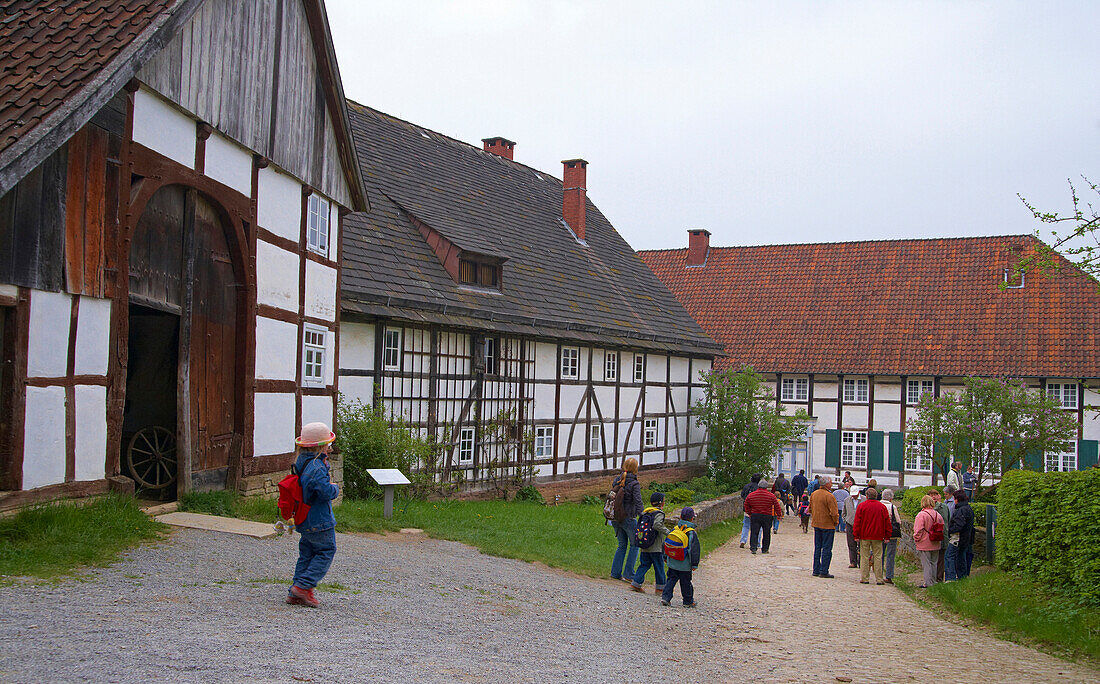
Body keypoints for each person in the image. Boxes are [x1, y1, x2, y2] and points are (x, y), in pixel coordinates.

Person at [287, 422, 340, 608]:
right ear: (322, 445)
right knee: (326, 551)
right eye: (328, 444)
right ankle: (303, 586)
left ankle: (295, 591)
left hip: (304, 517)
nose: (330, 447)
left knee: (307, 554)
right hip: (319, 519)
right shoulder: (317, 467)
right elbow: (325, 492)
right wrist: (335, 489)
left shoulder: (301, 461)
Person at [609, 457, 643, 582]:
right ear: (635, 468)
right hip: (628, 517)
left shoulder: (617, 480)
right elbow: (638, 502)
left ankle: (615, 572)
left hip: (616, 517)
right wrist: (643, 516)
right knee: (635, 545)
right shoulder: (634, 483)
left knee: (622, 545)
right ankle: (629, 574)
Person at [661, 506, 700, 607]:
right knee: (686, 583)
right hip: (685, 564)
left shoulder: (675, 529)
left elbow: (666, 543)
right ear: (692, 518)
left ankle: (665, 598)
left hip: (673, 562)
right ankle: (688, 601)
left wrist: (665, 557)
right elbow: (694, 550)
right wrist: (694, 564)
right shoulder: (691, 533)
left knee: (670, 580)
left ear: (680, 517)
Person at [631, 492, 669, 594]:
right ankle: (660, 588)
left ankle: (636, 584)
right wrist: (668, 532)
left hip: (644, 544)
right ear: (661, 503)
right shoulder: (659, 513)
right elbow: (657, 525)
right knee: (659, 566)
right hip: (655, 546)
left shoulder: (646, 512)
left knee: (644, 564)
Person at [853, 487, 890, 585]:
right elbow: (887, 522)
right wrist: (887, 536)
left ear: (867, 496)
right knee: (878, 556)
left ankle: (865, 578)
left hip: (864, 535)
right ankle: (879, 578)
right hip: (878, 535)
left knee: (864, 556)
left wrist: (856, 535)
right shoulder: (882, 507)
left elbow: (857, 522)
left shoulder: (862, 506)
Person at [913, 495, 944, 588]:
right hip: (936, 541)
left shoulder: (921, 515)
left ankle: (927, 582)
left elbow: (918, 530)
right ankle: (933, 581)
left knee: (926, 564)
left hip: (924, 542)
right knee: (934, 563)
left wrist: (916, 539)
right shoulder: (937, 515)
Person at [810, 476, 839, 577]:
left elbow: (810, 509)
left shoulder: (814, 494)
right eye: (830, 482)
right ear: (826, 484)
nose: (831, 484)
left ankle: (816, 569)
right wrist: (835, 522)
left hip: (816, 523)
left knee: (817, 548)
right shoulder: (829, 496)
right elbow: (834, 512)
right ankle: (824, 570)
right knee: (827, 548)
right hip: (827, 525)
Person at [744, 480, 783, 554]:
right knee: (766, 533)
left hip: (755, 515)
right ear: (766, 487)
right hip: (767, 516)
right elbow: (777, 506)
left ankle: (753, 548)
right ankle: (765, 549)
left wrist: (750, 513)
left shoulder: (752, 495)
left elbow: (746, 504)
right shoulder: (771, 496)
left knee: (754, 532)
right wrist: (779, 515)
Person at [946, 490, 975, 581]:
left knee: (949, 556)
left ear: (957, 499)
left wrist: (950, 530)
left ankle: (951, 578)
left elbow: (959, 525)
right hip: (966, 538)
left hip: (957, 538)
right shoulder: (968, 508)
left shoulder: (961, 510)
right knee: (961, 558)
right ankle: (962, 577)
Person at [880, 488, 901, 584]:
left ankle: (878, 573)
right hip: (891, 533)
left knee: (879, 554)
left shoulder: (878, 505)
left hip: (879, 533)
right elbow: (898, 521)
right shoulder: (893, 507)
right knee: (890, 554)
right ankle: (889, 575)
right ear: (891, 498)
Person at [931, 489, 952, 583]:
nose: (933, 497)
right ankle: (934, 578)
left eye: (935, 495)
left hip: (942, 536)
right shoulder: (931, 507)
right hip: (936, 537)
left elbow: (948, 521)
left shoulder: (944, 507)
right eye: (931, 495)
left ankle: (938, 578)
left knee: (940, 559)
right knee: (935, 559)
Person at [738, 473, 763, 548]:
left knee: (746, 525)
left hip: (747, 508)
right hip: (756, 510)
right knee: (758, 527)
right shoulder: (759, 488)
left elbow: (742, 495)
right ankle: (757, 542)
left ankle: (743, 540)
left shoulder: (747, 486)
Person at [843, 485, 860, 568]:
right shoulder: (847, 500)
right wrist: (845, 520)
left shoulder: (863, 499)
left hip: (861, 525)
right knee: (851, 543)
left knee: (861, 544)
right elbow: (844, 512)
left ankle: (860, 561)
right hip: (850, 524)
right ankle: (853, 561)